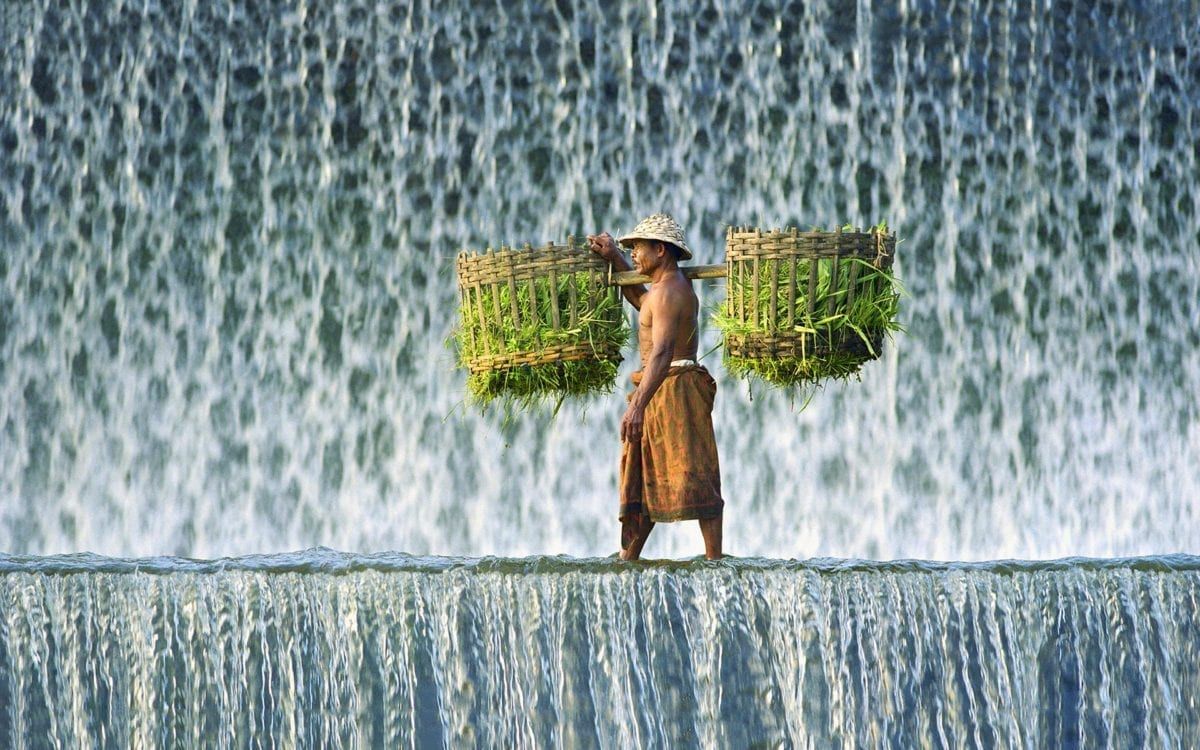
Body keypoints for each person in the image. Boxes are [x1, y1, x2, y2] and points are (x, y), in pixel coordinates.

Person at [587, 213, 724, 560]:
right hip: (662, 388)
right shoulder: (664, 290)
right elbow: (643, 305)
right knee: (645, 472)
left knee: (693, 469)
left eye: (637, 248)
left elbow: (662, 353)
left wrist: (636, 407)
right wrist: (615, 257)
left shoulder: (669, 292)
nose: (633, 253)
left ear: (660, 249)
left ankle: (714, 559)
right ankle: (628, 558)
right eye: (629, 249)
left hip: (674, 389)